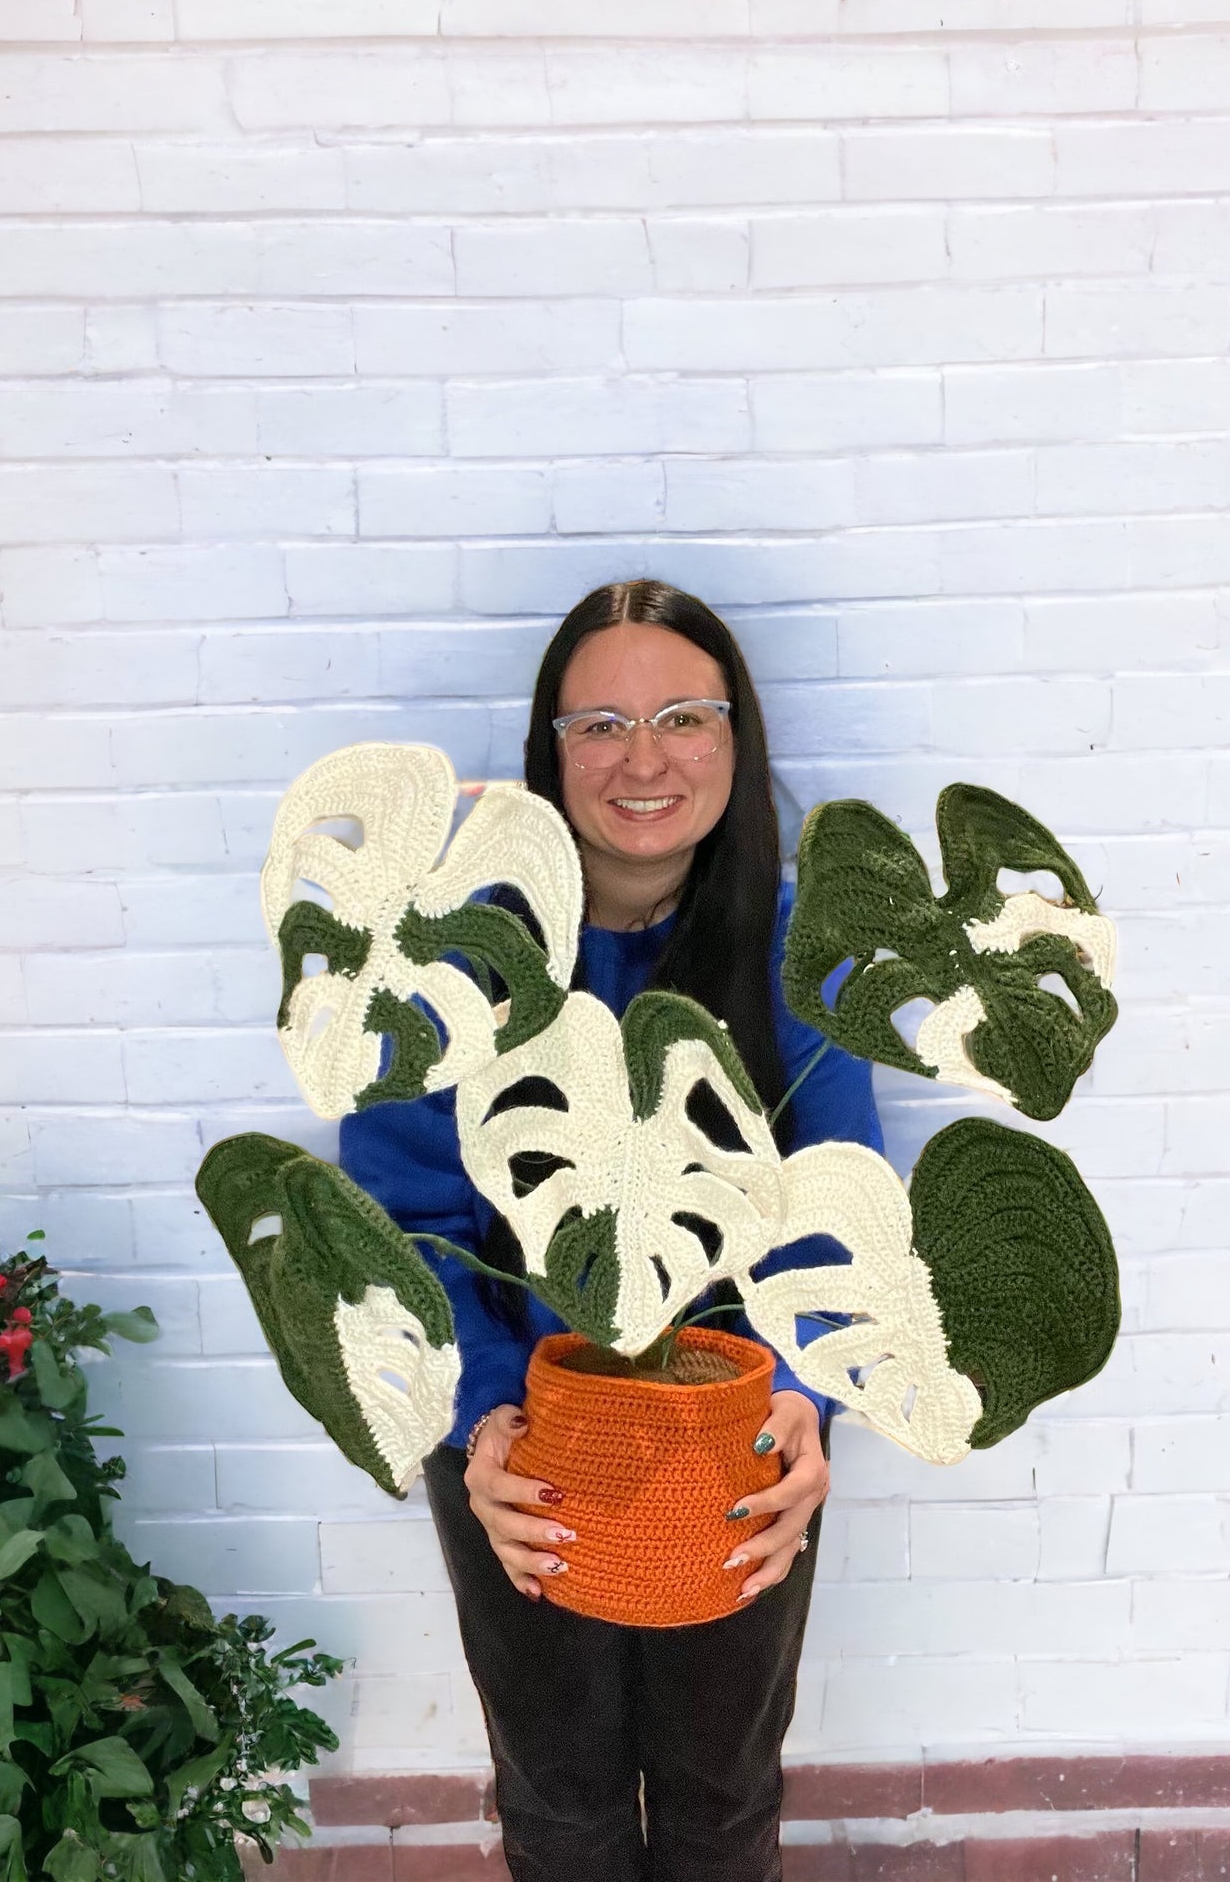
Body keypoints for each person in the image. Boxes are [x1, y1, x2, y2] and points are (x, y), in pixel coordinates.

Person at [340, 579, 884, 1882]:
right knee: (560, 1786)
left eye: (682, 714)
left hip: (733, 1427)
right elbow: (397, 1222)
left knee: (718, 1782)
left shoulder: (799, 941)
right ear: (551, 751)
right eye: (599, 725)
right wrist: (481, 1417)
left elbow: (840, 1200)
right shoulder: (460, 952)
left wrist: (807, 1391)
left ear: (735, 738)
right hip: (519, 1428)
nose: (643, 757)